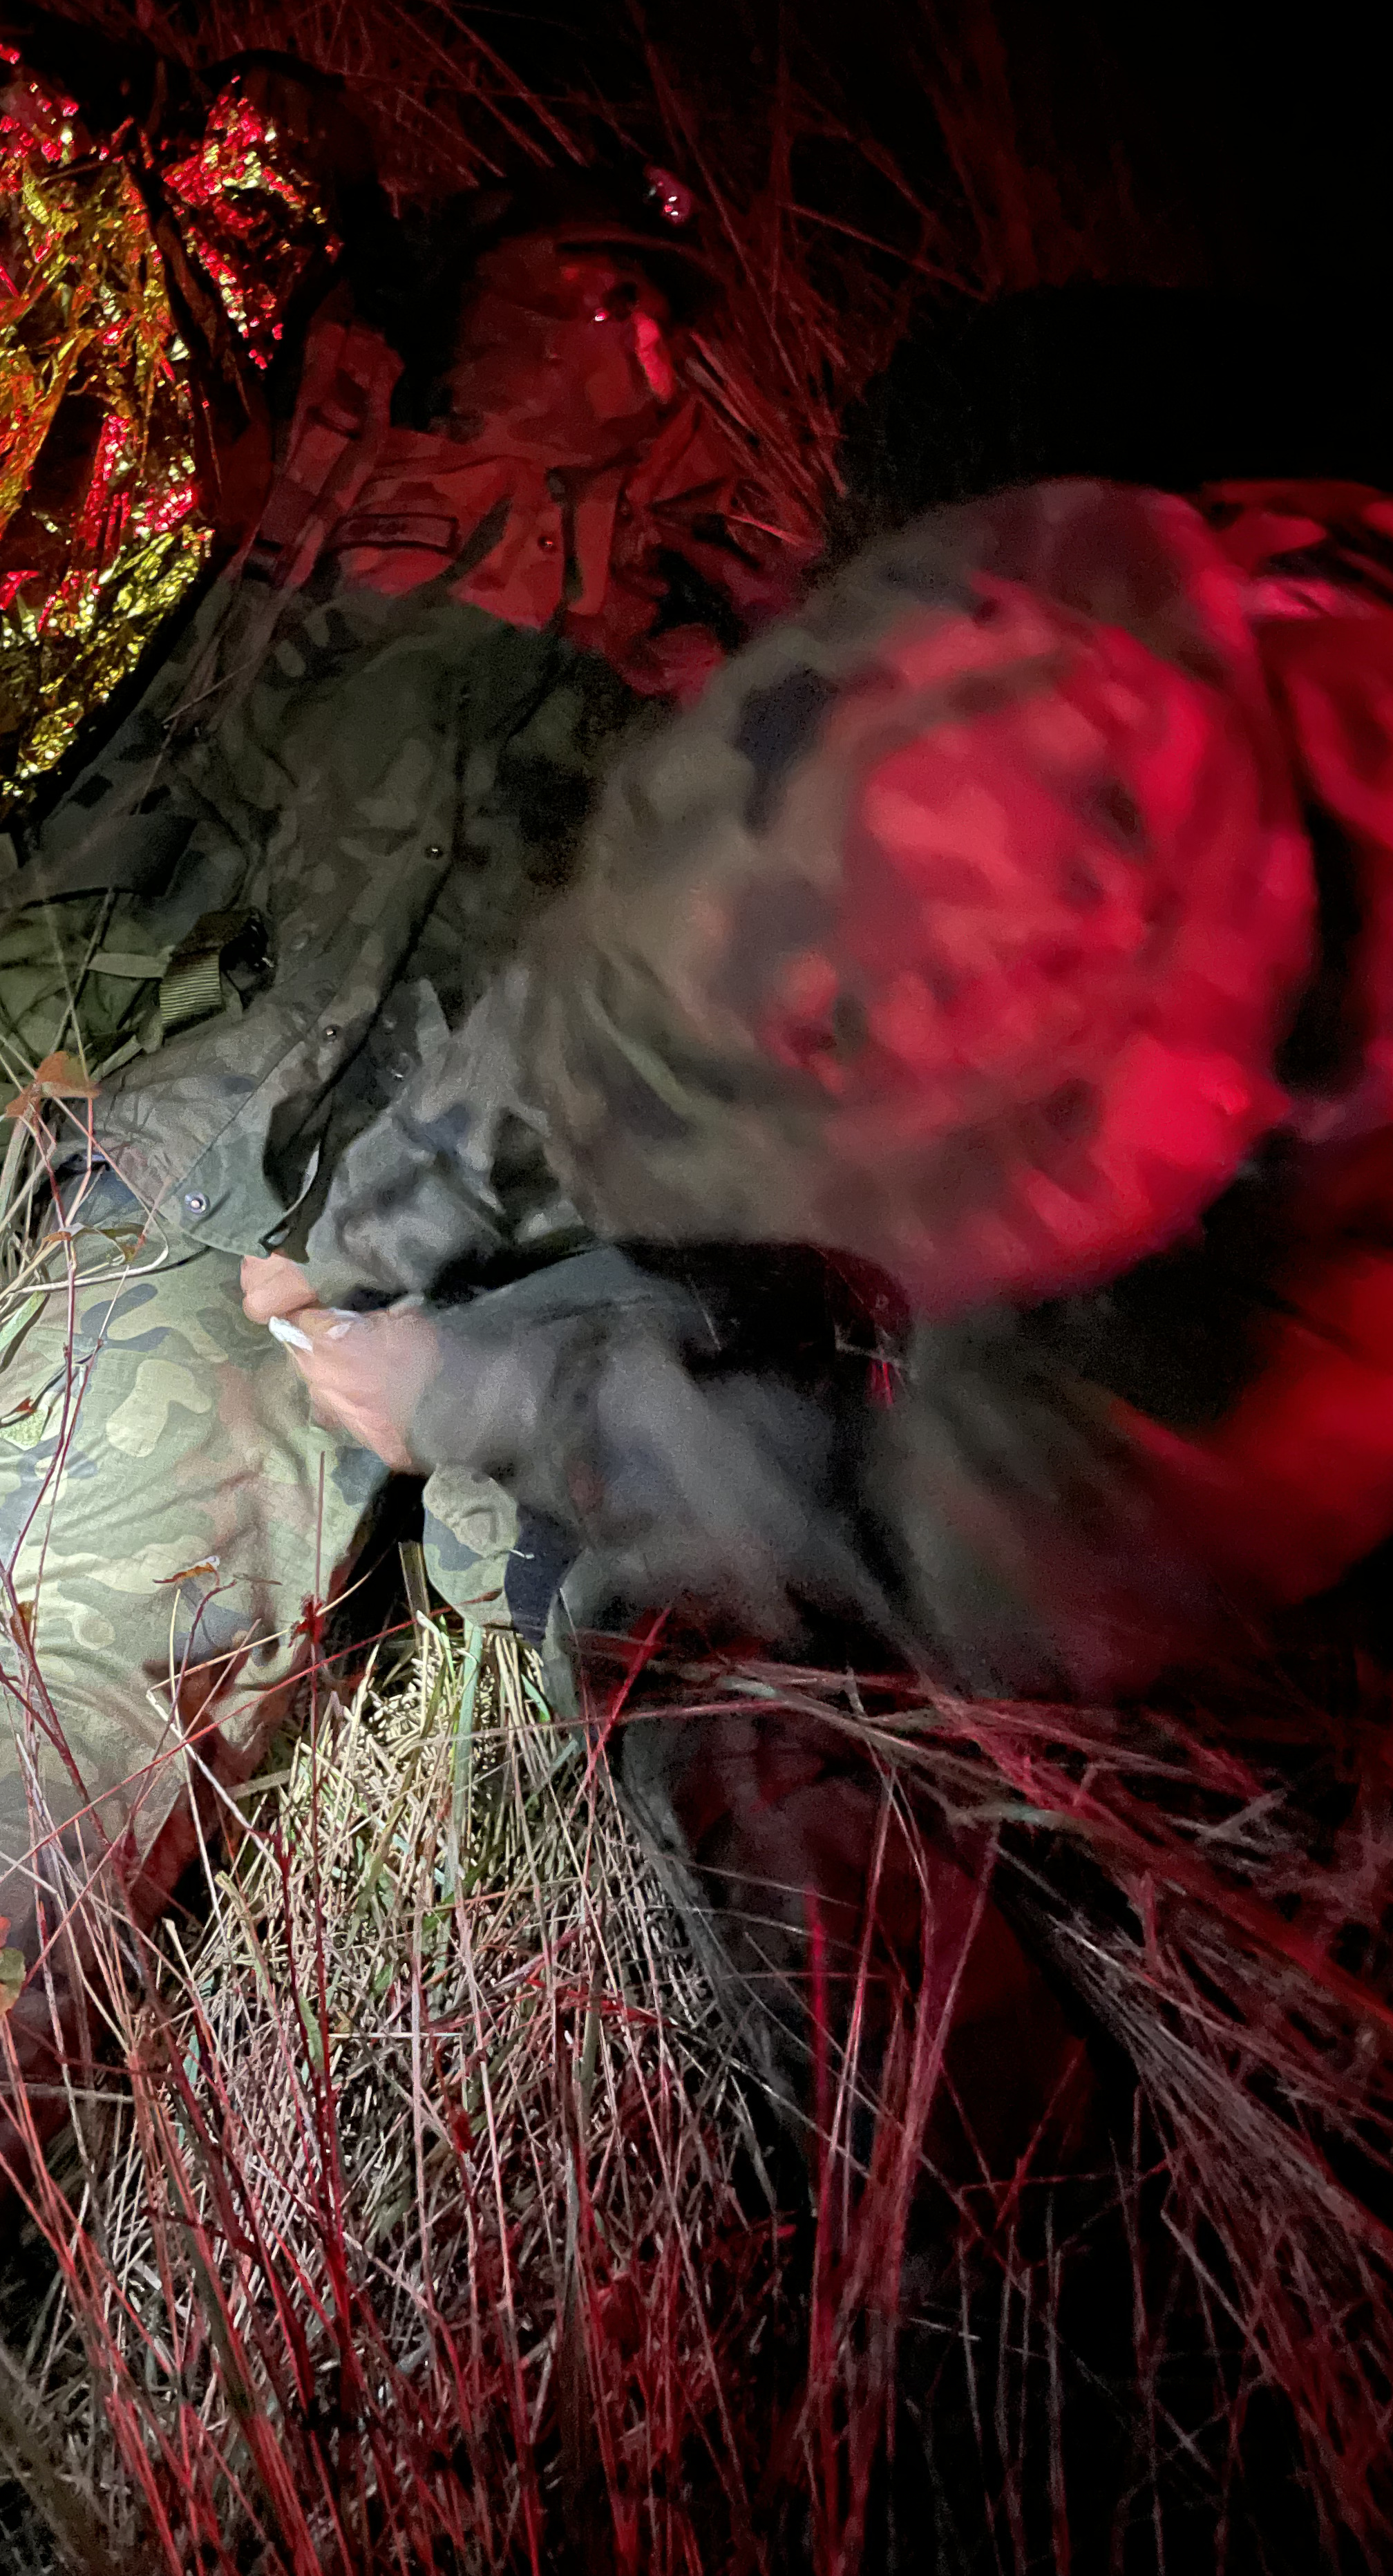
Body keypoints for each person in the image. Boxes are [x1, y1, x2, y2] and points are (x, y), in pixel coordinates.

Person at [0, 197, 768, 2272]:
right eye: (544, 286)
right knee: (33, 1663)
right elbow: (74, 848)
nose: (595, 310)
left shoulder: (793, 627)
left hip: (595, 1244)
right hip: (236, 1191)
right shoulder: (314, 567)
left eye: (632, 291)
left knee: (745, 1705)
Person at [252, 290, 1393, 2139]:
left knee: (673, 1621)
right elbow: (671, 934)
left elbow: (943, 1547)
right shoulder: (1048, 588)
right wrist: (376, 1217)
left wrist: (490, 1400)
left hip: (1193, 1373)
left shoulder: (1281, 1329)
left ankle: (985, 2219)